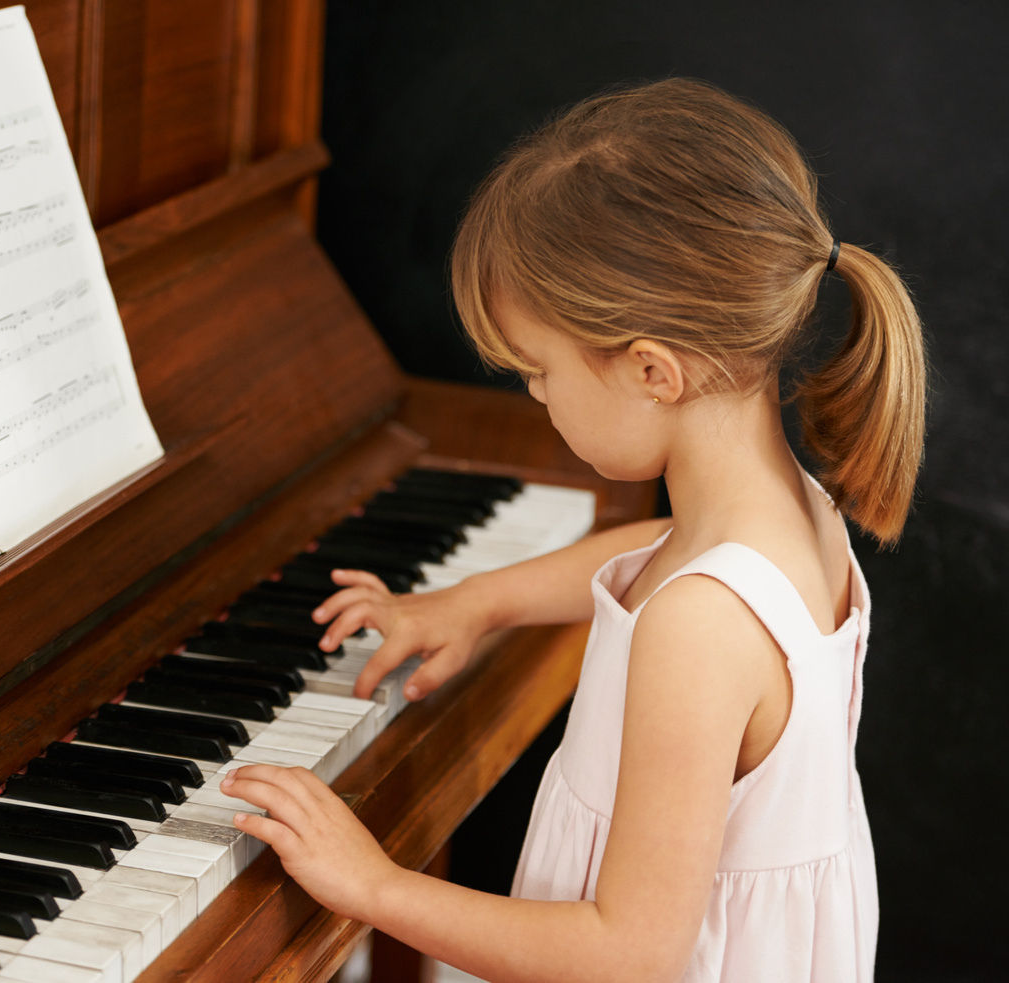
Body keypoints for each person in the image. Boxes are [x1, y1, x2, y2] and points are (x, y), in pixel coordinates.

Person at [220, 78, 925, 982]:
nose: (536, 395)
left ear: (651, 371)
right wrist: (478, 602)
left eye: (539, 371)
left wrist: (372, 886)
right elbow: (649, 559)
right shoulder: (785, 514)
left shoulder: (699, 628)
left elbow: (628, 952)